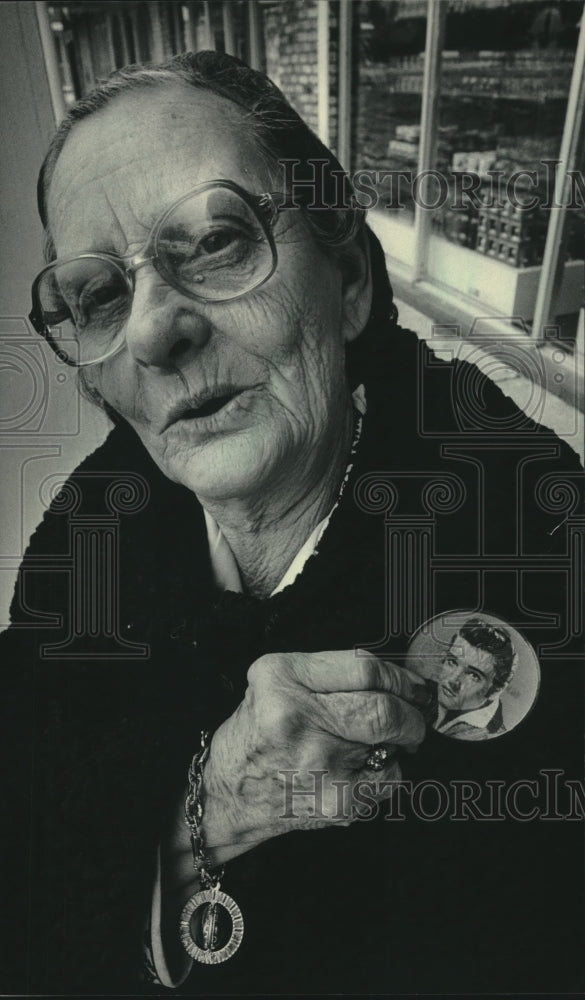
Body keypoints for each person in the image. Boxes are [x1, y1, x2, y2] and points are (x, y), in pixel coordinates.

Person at [1, 50, 583, 995]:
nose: (154, 333)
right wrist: (214, 806)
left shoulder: (541, 556)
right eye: (102, 295)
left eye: (216, 242)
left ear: (347, 277)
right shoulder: (84, 544)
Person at [434, 617, 515, 740]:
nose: (452, 679)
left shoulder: (488, 737)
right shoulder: (425, 696)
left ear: (496, 690)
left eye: (473, 675)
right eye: (452, 662)